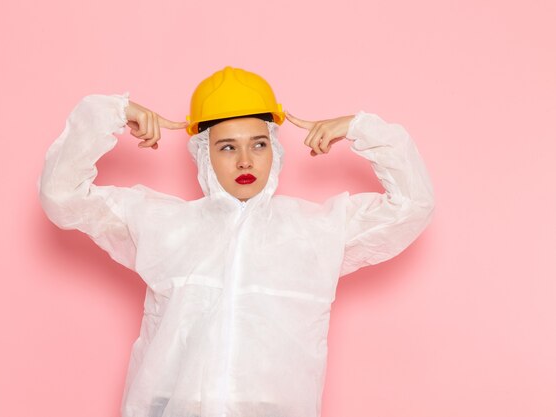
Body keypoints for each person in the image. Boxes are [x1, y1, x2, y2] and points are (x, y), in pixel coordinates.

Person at [38, 66, 435, 417]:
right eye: (227, 147)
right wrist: (113, 113)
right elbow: (62, 196)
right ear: (202, 153)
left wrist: (360, 128)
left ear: (275, 149)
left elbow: (413, 206)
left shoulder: (317, 230)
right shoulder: (163, 223)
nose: (245, 160)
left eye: (257, 144)